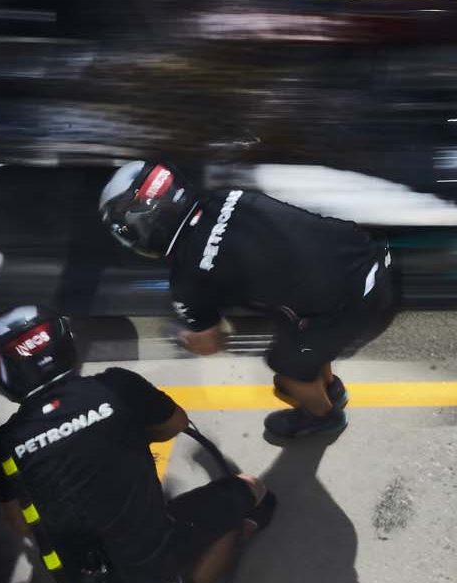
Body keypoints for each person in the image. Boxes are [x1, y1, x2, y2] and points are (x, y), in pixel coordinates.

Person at [0, 307, 274, 583]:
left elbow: (21, 522)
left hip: (83, 574)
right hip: (153, 555)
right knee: (252, 489)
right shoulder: (117, 386)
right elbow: (175, 424)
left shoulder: (2, 445)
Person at [99, 161, 395, 441]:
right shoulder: (229, 196)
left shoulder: (187, 279)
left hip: (357, 307)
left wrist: (182, 335)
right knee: (297, 322)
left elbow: (211, 343)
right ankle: (329, 387)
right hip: (371, 259)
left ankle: (323, 416)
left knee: (286, 365)